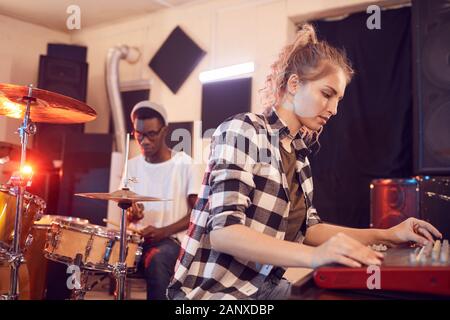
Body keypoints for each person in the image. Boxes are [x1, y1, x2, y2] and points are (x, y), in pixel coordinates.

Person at [167, 24, 442, 300]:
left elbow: (310, 229)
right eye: (327, 93)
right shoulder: (243, 130)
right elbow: (225, 233)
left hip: (263, 287)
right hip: (211, 294)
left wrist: (388, 235)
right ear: (294, 84)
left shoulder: (299, 157)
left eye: (338, 99)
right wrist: (315, 257)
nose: (334, 110)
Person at [123, 101, 201, 300]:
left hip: (171, 243)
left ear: (164, 131)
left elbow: (198, 213)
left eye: (151, 134)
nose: (144, 141)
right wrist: (132, 212)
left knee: (156, 259)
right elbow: (126, 203)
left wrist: (163, 231)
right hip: (136, 241)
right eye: (139, 134)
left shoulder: (185, 165)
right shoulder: (131, 168)